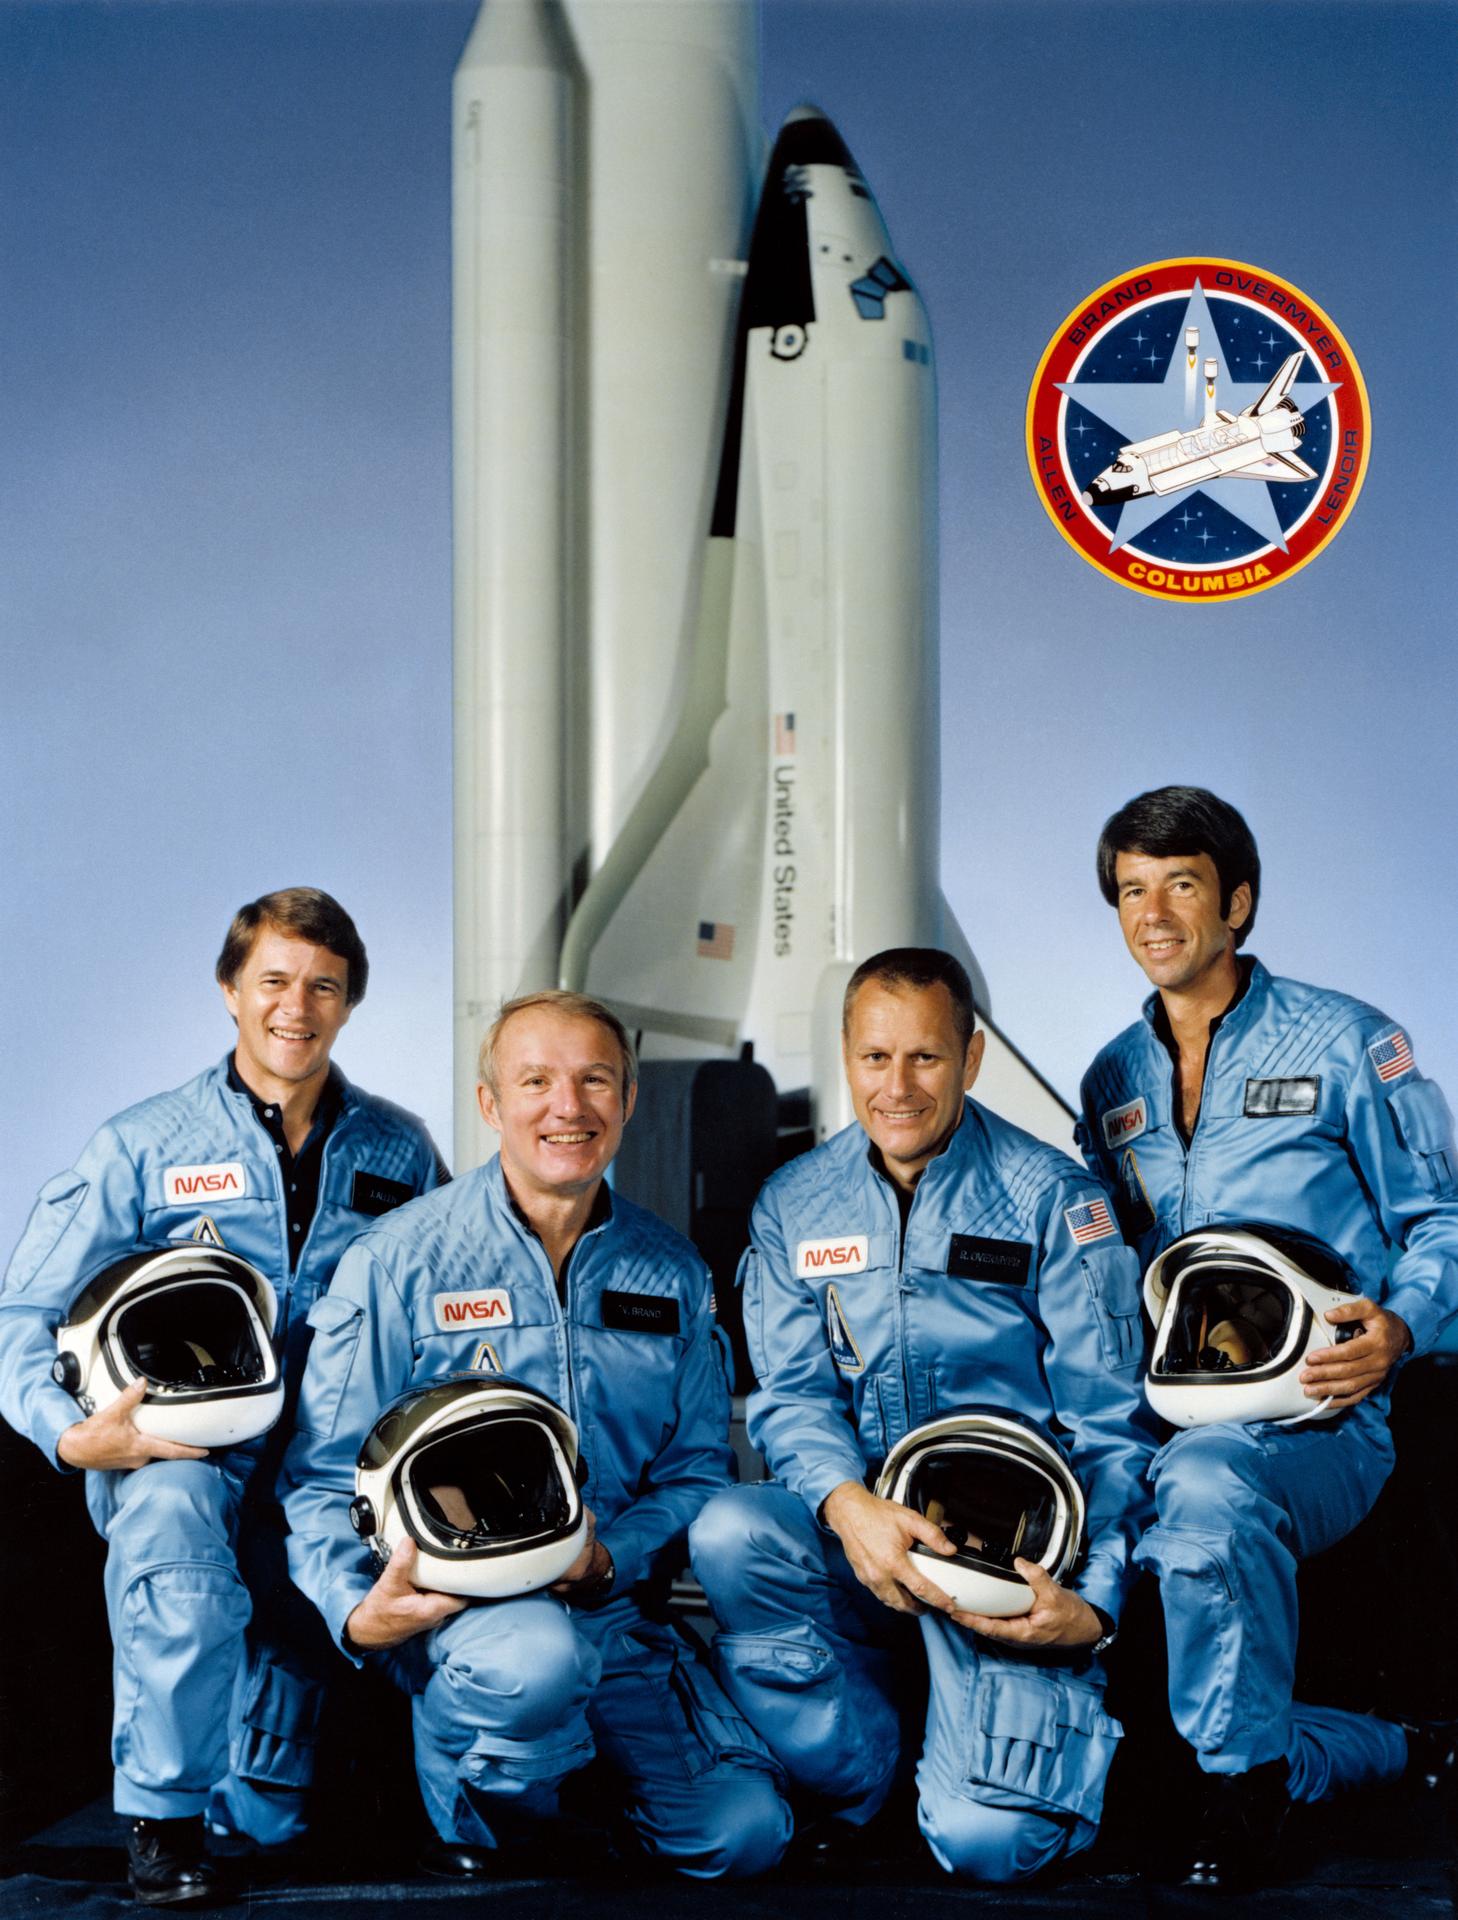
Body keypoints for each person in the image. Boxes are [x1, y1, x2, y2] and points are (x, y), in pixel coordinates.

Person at [279, 989, 790, 1881]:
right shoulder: (398, 1263)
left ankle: (599, 1784)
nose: (569, 1107)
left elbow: (697, 1468)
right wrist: (357, 1613)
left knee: (742, 1833)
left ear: (628, 1101)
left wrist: (610, 1558)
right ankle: (484, 1793)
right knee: (532, 1665)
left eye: (596, 1080)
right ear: (490, 1104)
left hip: (612, 1615)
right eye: (537, 1081)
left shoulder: (669, 1272)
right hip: (470, 1621)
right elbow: (325, 1476)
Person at [0, 888, 447, 1904]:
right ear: (231, 991)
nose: (298, 1007)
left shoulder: (398, 1152)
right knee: (177, 1543)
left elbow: (440, 1302)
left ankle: (254, 1778)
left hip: (325, 1470)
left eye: (323, 987)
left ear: (349, 1003)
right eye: (276, 982)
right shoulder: (142, 1145)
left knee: (277, 1817)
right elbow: (19, 1312)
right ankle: (162, 1822)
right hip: (180, 1456)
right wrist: (72, 1438)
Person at [688, 949, 1155, 1883]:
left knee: (991, 1846)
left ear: (973, 1059)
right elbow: (793, 1398)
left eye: (926, 1060)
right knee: (732, 1529)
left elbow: (1112, 1429)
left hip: (1010, 1563)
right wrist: (849, 1506)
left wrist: (1093, 1602)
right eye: (874, 1058)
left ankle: (1344, 1746)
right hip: (865, 1539)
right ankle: (862, 1782)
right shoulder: (794, 1204)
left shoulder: (1053, 1203)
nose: (896, 1088)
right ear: (848, 1056)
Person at [1080, 785, 1458, 1886]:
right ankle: (1382, 1751)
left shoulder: (1350, 1043)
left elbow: (1442, 1221)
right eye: (1132, 892)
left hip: (1326, 1415)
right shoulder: (1112, 1081)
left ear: (1237, 903)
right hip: (1170, 1410)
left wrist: (1399, 1327)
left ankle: (1240, 1795)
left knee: (1204, 1490)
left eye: (1182, 886)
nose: (1154, 915)